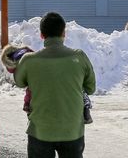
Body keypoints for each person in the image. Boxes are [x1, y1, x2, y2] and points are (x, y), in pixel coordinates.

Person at [14, 12, 96, 158]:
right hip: (72, 131)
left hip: (40, 130)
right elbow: (90, 88)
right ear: (64, 33)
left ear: (41, 35)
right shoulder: (79, 57)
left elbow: (19, 82)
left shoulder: (29, 61)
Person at [2, 44, 93, 124]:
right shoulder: (26, 52)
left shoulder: (20, 62)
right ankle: (84, 107)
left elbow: (29, 88)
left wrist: (27, 104)